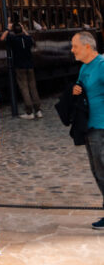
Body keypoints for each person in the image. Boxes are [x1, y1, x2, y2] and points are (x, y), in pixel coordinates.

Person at [72, 30, 104, 230]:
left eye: (75, 46)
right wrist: (75, 89)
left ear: (87, 47)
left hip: (102, 127)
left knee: (103, 170)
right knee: (97, 171)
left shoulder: (101, 66)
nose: (72, 50)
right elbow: (79, 86)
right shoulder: (84, 67)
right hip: (89, 126)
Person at [1, 21, 41, 119]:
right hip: (30, 66)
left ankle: (29, 111)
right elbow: (31, 39)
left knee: (24, 88)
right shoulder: (27, 39)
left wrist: (7, 29)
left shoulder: (13, 39)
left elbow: (2, 38)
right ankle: (38, 110)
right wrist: (23, 30)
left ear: (14, 31)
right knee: (33, 87)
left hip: (19, 66)